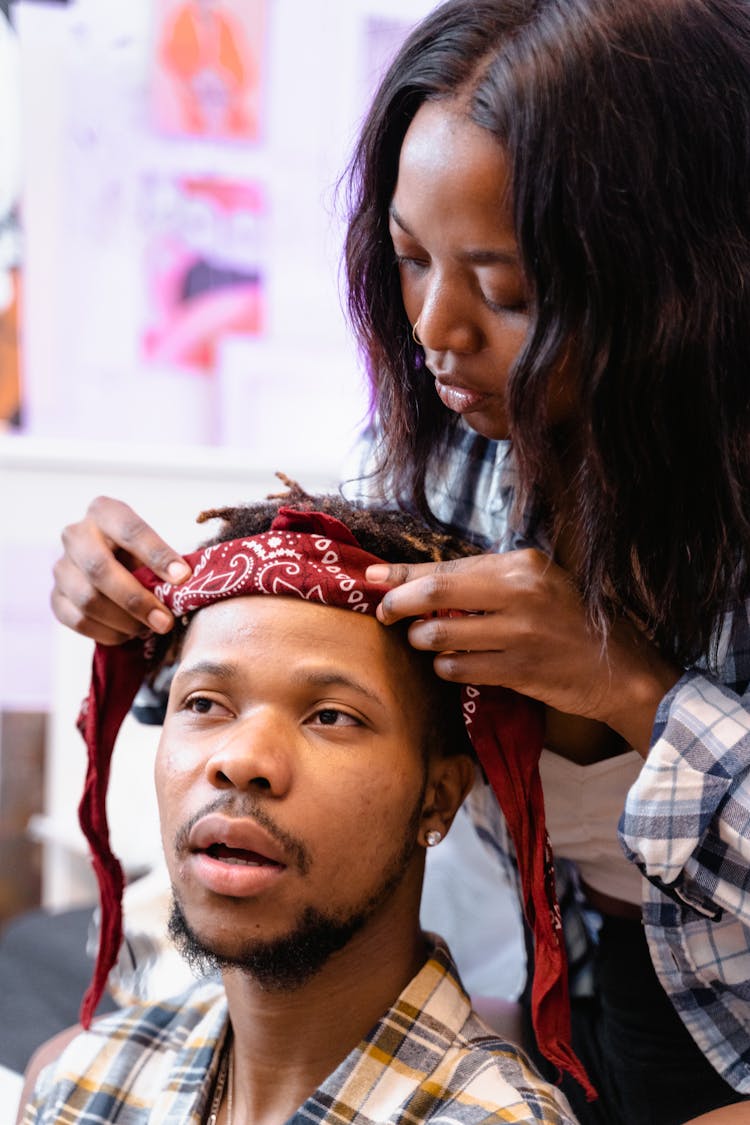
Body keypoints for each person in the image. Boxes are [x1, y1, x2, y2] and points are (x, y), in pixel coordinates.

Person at [49, 1, 750, 1121]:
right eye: (410, 259)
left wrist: (626, 689)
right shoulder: (451, 455)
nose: (434, 332)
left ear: (682, 283)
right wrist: (144, 614)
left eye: (511, 289)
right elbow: (295, 655)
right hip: (567, 969)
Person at [21, 491, 577, 1125]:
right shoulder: (86, 1083)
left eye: (331, 716)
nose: (242, 760)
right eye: (204, 704)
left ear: (438, 798)